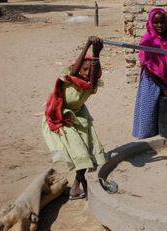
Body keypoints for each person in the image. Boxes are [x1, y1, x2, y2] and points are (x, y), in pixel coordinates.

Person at [42, 36, 106, 200]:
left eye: (90, 71)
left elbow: (92, 76)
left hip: (79, 117)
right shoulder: (69, 79)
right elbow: (75, 69)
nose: (86, 74)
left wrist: (96, 54)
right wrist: (87, 45)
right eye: (84, 70)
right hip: (59, 117)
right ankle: (87, 190)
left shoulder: (91, 86)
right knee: (80, 152)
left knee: (88, 150)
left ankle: (76, 188)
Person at [132, 7, 167, 139]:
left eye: (162, 22)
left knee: (164, 116)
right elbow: (147, 67)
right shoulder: (147, 40)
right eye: (156, 22)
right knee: (149, 116)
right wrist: (162, 87)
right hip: (152, 83)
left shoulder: (166, 40)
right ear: (151, 23)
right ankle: (146, 147)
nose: (160, 25)